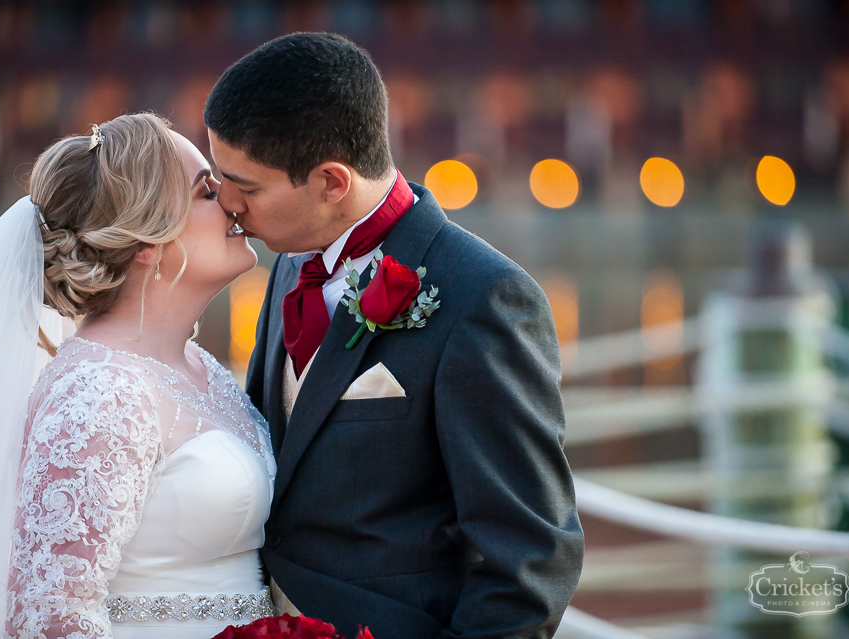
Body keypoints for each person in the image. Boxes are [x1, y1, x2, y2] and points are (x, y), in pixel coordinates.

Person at [205, 33, 584, 639]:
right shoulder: (285, 264)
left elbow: (531, 557)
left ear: (332, 181)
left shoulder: (483, 298)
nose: (227, 205)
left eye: (245, 187)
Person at [0, 113, 276, 638]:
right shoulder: (100, 391)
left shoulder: (202, 368)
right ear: (147, 243)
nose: (231, 202)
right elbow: (51, 618)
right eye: (206, 192)